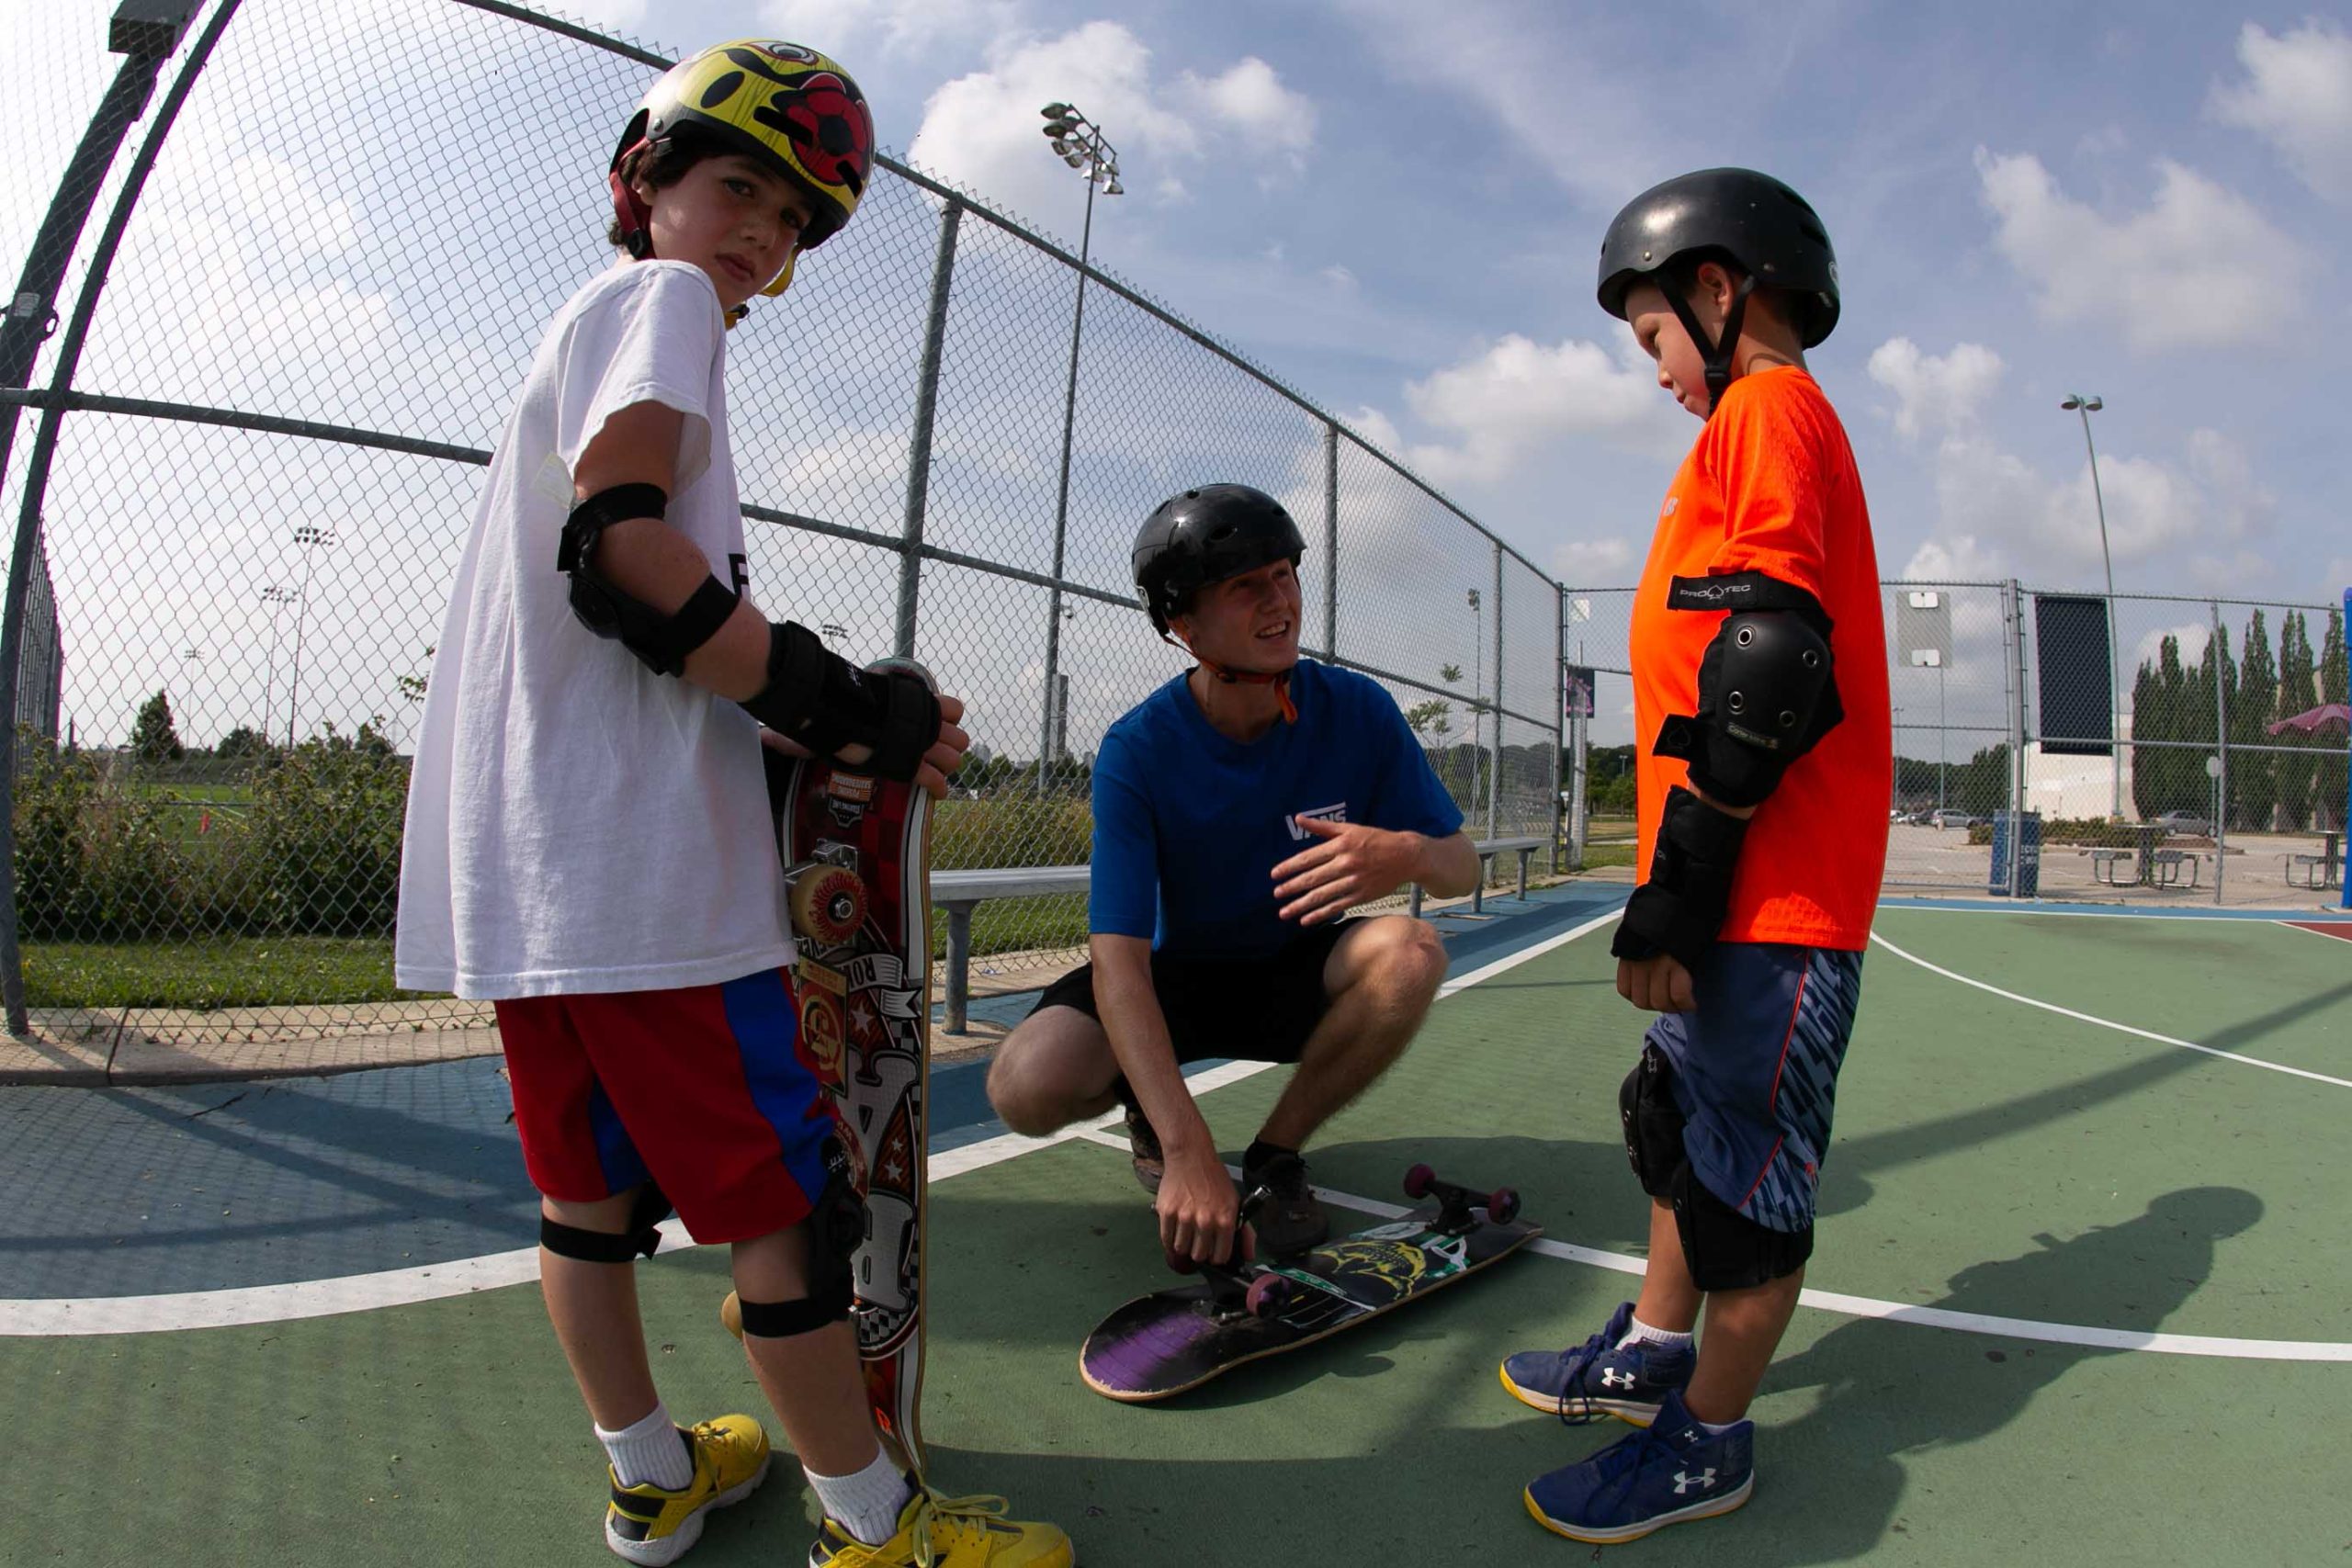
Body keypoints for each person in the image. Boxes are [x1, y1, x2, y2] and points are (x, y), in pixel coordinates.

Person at [394, 39, 1069, 1567]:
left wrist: (792, 740)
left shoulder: (569, 339)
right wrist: (845, 706)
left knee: (583, 1205)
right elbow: (624, 556)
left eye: (793, 218)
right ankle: (874, 1525)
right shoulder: (661, 302)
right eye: (735, 187)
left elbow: (603, 640)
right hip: (647, 900)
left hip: (526, 887)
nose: (757, 234)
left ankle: (649, 1472)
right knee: (783, 1216)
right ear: (643, 184)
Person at [1498, 168, 1891, 1545]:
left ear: (1718, 292)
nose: (1657, 369)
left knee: (1746, 1187)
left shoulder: (1770, 409)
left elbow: (1767, 664)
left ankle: (1708, 1438)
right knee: (1678, 1133)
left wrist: (1678, 894)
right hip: (1730, 876)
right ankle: (1659, 1347)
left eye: (1656, 335)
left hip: (1765, 893)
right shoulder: (1744, 425)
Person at [984, 483, 1479, 1265]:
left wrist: (1407, 852)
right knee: (1026, 1083)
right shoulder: (1138, 749)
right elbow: (1117, 959)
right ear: (1183, 624)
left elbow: (1461, 868)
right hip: (1172, 979)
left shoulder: (1356, 709)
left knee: (1413, 951)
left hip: (1290, 968)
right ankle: (1151, 1111)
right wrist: (1186, 1148)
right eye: (1246, 585)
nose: (1278, 598)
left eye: (1284, 573)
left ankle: (1277, 1153)